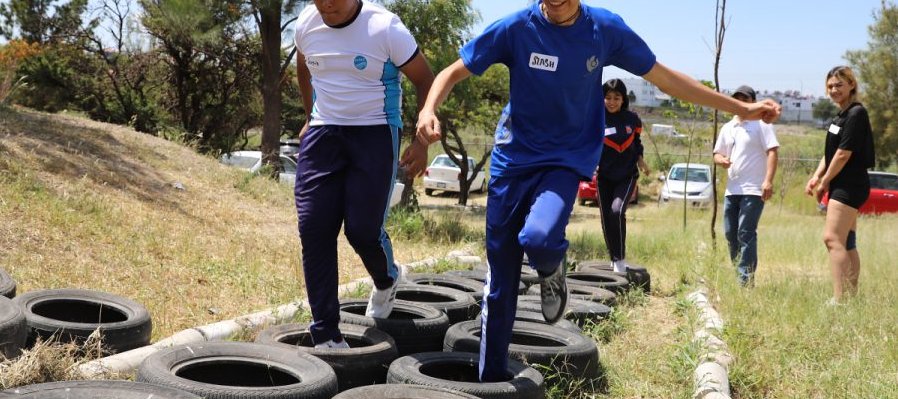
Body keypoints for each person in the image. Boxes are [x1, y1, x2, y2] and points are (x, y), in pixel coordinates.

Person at [415, 0, 781, 382]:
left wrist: (743, 109)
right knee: (500, 283)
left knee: (539, 237)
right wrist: (427, 110)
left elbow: (666, 79)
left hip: (564, 160)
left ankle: (551, 266)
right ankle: (491, 381)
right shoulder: (515, 28)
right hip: (513, 160)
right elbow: (452, 72)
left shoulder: (603, 29)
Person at [293, 0, 433, 349]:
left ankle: (387, 278)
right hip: (324, 134)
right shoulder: (306, 24)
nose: (326, 4)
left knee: (362, 231)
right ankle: (325, 332)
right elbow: (303, 66)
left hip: (375, 133)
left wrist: (420, 140)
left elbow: (424, 79)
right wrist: (310, 116)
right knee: (314, 228)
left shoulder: (385, 28)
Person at [804, 66, 875, 304]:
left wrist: (825, 182)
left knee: (831, 239)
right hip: (843, 183)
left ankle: (839, 300)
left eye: (839, 85)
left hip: (850, 184)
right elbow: (832, 153)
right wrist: (816, 176)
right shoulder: (840, 116)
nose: (834, 89)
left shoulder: (856, 114)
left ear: (851, 85)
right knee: (847, 241)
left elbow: (844, 154)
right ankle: (851, 299)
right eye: (831, 86)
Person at [713, 85, 779, 287]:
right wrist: (721, 160)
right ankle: (737, 272)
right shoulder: (728, 127)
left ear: (754, 102)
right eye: (738, 99)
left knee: (745, 233)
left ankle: (745, 281)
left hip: (753, 189)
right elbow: (717, 153)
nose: (742, 103)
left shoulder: (762, 125)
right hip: (732, 189)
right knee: (730, 233)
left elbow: (773, 152)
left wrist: (768, 181)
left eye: (746, 99)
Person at [597, 79, 650, 274]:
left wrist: (641, 160)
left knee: (616, 211)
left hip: (627, 176)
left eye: (616, 98)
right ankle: (613, 257)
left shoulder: (632, 119)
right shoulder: (595, 117)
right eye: (608, 98)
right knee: (606, 217)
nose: (612, 102)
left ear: (623, 99)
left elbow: (637, 142)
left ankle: (620, 258)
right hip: (604, 176)